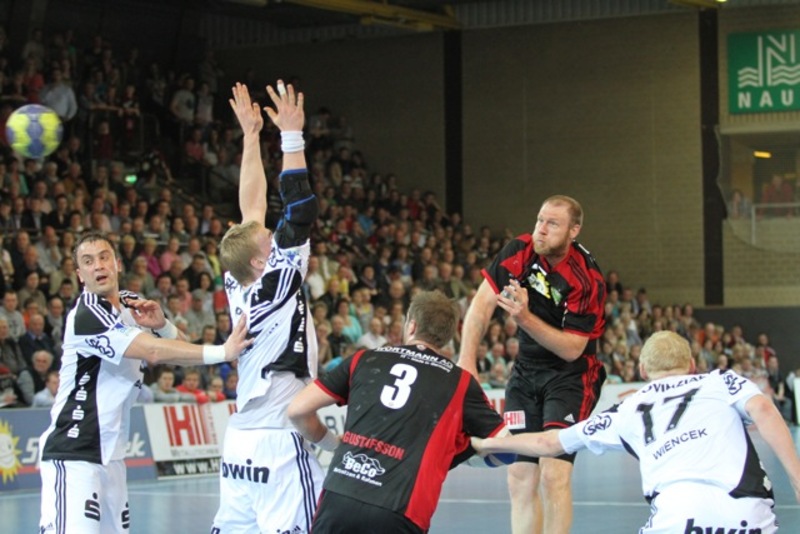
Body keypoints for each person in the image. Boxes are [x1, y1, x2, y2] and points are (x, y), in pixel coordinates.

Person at [471, 331, 800, 534]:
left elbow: (548, 442)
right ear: (691, 365)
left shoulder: (628, 408)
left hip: (676, 518)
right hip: (745, 514)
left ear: (642, 370)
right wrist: (798, 481)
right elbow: (764, 409)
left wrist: (487, 443)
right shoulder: (721, 380)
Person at [38, 231, 251, 534]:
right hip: (73, 454)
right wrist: (223, 351)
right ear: (80, 275)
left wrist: (162, 325)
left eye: (104, 257)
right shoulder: (87, 314)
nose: (98, 266)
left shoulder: (129, 303)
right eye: (88, 261)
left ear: (117, 263)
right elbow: (152, 351)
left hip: (111, 455)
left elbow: (178, 349)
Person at [288, 290, 507, 534]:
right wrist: (465, 457)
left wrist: (331, 444)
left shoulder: (364, 359)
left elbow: (298, 410)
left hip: (341, 494)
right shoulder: (461, 382)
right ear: (447, 336)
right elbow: (507, 448)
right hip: (401, 510)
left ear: (411, 325)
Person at [211, 81, 323, 533]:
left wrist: (251, 136)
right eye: (269, 242)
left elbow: (251, 209)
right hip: (279, 440)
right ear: (261, 261)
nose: (273, 236)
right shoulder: (277, 280)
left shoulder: (237, 279)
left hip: (239, 443)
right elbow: (300, 209)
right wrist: (292, 137)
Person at [459, 195, 606, 534]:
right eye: (540, 220)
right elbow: (481, 304)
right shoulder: (519, 251)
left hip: (571, 376)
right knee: (519, 474)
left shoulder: (587, 279)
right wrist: (467, 361)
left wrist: (524, 318)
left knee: (554, 474)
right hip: (525, 372)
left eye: (552, 224)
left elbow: (572, 350)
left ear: (573, 231)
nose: (541, 229)